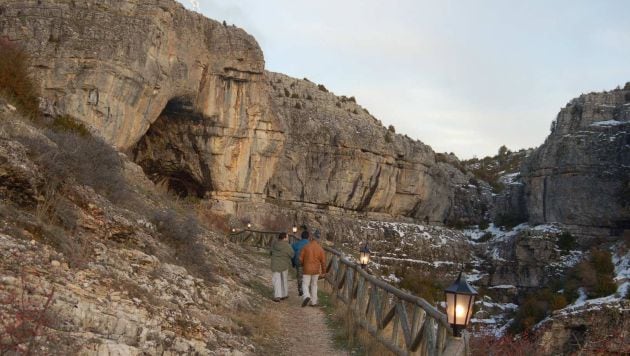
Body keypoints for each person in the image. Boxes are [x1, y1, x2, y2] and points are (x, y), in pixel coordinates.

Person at [299, 231, 326, 307]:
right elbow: (323, 262)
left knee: (305, 284)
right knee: (314, 285)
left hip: (307, 269)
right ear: (318, 239)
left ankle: (307, 296)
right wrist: (324, 272)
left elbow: (300, 258)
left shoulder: (306, 247)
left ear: (312, 238)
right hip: (316, 270)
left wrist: (302, 265)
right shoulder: (321, 249)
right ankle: (314, 302)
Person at [270, 232, 294, 302]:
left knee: (276, 280)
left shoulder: (274, 244)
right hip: (284, 264)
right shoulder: (287, 246)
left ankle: (277, 296)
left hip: (275, 264)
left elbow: (270, 252)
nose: (288, 238)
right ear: (284, 238)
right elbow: (292, 255)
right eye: (287, 237)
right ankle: (284, 294)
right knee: (284, 279)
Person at [291, 230, 310, 296]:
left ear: (301, 237)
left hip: (298, 261)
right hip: (308, 262)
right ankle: (306, 289)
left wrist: (293, 262)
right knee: (306, 276)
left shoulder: (296, 244)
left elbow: (292, 254)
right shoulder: (310, 244)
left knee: (299, 275)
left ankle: (300, 289)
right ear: (308, 237)